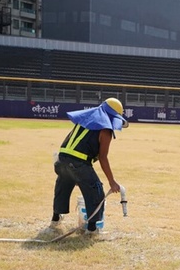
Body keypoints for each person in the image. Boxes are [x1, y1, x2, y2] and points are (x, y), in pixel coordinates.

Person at [47, 97, 129, 235]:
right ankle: (92, 229)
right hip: (78, 163)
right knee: (95, 190)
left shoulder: (86, 119)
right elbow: (103, 157)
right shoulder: (105, 129)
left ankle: (55, 221)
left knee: (62, 188)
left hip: (62, 160)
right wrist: (112, 181)